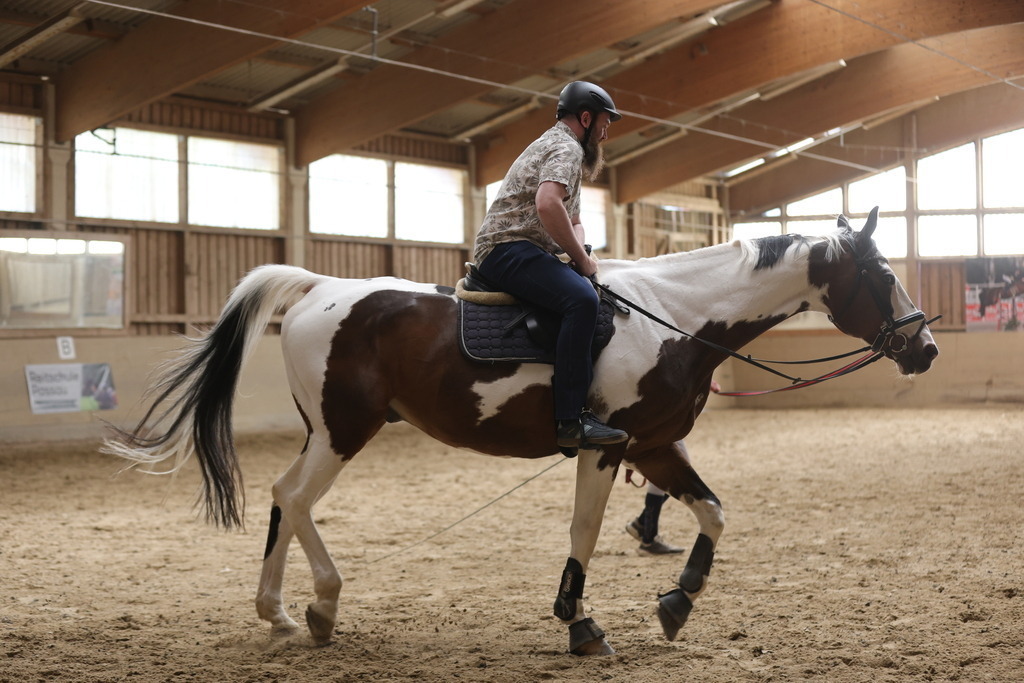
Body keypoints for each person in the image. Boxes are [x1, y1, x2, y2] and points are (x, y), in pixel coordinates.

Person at [473, 81, 627, 450]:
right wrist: (582, 262)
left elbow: (570, 218)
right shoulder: (565, 147)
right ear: (586, 118)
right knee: (582, 300)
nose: (606, 132)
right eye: (604, 123)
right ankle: (571, 420)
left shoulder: (558, 147)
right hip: (508, 248)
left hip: (527, 248)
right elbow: (547, 205)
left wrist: (583, 250)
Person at [625, 380, 720, 554]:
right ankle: (648, 538)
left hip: (663, 415)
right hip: (662, 417)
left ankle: (643, 525)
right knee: (674, 474)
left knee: (674, 474)